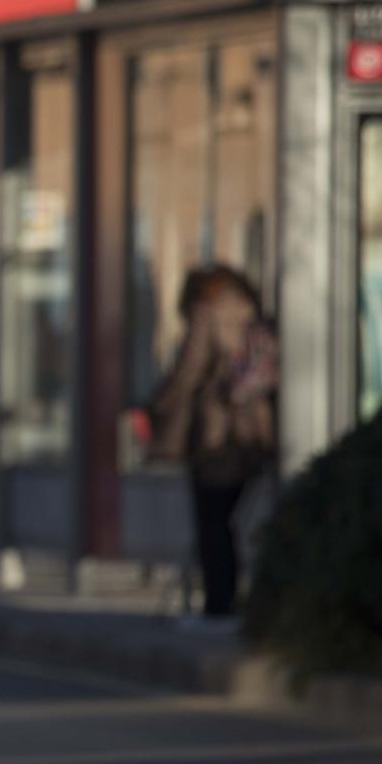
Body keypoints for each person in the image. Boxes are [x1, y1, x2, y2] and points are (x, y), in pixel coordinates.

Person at [146, 265, 277, 624]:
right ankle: (229, 598)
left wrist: (156, 405)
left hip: (217, 432)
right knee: (228, 522)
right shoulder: (251, 308)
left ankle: (219, 603)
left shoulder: (208, 312)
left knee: (212, 523)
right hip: (255, 432)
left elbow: (189, 368)